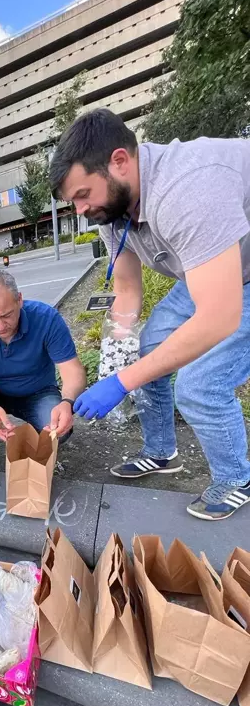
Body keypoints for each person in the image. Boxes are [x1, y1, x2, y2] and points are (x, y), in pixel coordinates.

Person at [49, 108, 250, 521]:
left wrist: (122, 383)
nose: (80, 209)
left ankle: (236, 478)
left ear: (120, 161)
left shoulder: (188, 190)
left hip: (241, 277)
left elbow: (219, 317)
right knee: (147, 351)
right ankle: (162, 451)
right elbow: (126, 288)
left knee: (199, 385)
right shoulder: (111, 209)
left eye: (83, 194)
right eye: (73, 202)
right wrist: (117, 357)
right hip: (206, 271)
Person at [0, 271, 85, 463]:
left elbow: (73, 370)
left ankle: (40, 444)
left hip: (38, 392)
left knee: (60, 430)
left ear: (19, 299)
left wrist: (67, 402)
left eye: (7, 315)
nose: (1, 326)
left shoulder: (46, 318)